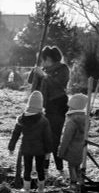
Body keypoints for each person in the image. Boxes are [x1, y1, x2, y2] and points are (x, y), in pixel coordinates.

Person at [27, 46, 70, 176]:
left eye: (43, 60)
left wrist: (44, 76)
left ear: (49, 58)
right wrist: (35, 71)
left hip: (57, 105)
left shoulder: (63, 69)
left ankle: (60, 168)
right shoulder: (43, 70)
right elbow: (31, 81)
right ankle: (44, 168)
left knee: (54, 138)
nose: (42, 63)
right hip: (43, 106)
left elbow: (58, 84)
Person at [8, 91, 54, 193]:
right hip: (40, 149)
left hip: (27, 148)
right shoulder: (44, 120)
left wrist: (11, 146)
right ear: (41, 104)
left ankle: (26, 189)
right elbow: (47, 137)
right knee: (40, 169)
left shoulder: (21, 118)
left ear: (29, 103)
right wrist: (48, 151)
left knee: (27, 168)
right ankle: (41, 190)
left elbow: (15, 133)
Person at [57, 93, 89, 189]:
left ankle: (73, 184)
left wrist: (61, 152)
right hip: (81, 148)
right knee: (77, 166)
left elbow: (66, 138)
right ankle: (80, 183)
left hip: (72, 148)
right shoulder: (86, 119)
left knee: (71, 167)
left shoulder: (71, 121)